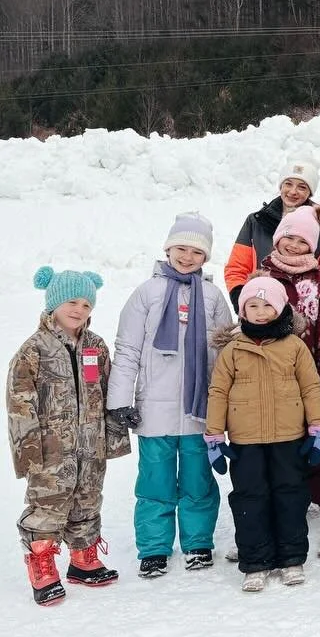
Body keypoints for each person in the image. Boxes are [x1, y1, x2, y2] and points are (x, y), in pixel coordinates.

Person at [106, 213, 233, 578]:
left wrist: (225, 407)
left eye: (196, 251)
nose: (187, 257)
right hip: (153, 409)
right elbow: (127, 348)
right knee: (155, 483)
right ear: (168, 248)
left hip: (199, 409)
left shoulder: (211, 296)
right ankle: (155, 547)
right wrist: (120, 400)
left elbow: (225, 355)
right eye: (181, 248)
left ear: (205, 257)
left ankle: (197, 543)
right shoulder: (147, 292)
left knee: (198, 481)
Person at [8, 266, 130, 605]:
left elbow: (110, 392)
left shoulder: (96, 346)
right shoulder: (34, 350)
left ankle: (83, 560)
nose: (79, 310)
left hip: (91, 444)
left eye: (86, 305)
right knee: (48, 503)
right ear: (54, 303)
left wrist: (113, 437)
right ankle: (42, 563)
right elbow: (20, 403)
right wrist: (28, 450)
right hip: (51, 448)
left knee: (88, 499)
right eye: (72, 302)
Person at [205, 276, 320, 591]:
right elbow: (218, 392)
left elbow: (312, 387)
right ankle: (255, 561)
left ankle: (291, 558)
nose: (260, 312)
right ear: (243, 311)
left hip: (289, 438)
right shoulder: (233, 349)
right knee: (249, 499)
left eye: (267, 306)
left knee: (290, 496)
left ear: (281, 308)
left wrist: (317, 429)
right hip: (246, 443)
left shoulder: (294, 346)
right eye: (253, 306)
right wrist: (215, 437)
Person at [251, 204, 320, 558]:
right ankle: (276, 520)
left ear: (313, 246)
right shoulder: (261, 277)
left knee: (319, 452)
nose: (293, 245)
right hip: (268, 384)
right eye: (288, 237)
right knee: (275, 455)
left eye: (302, 241)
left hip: (308, 382)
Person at [223, 158, 320, 310]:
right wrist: (241, 298)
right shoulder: (256, 222)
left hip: (304, 312)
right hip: (261, 310)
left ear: (310, 192)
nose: (293, 192)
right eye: (288, 184)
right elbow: (237, 267)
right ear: (281, 186)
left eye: (302, 187)